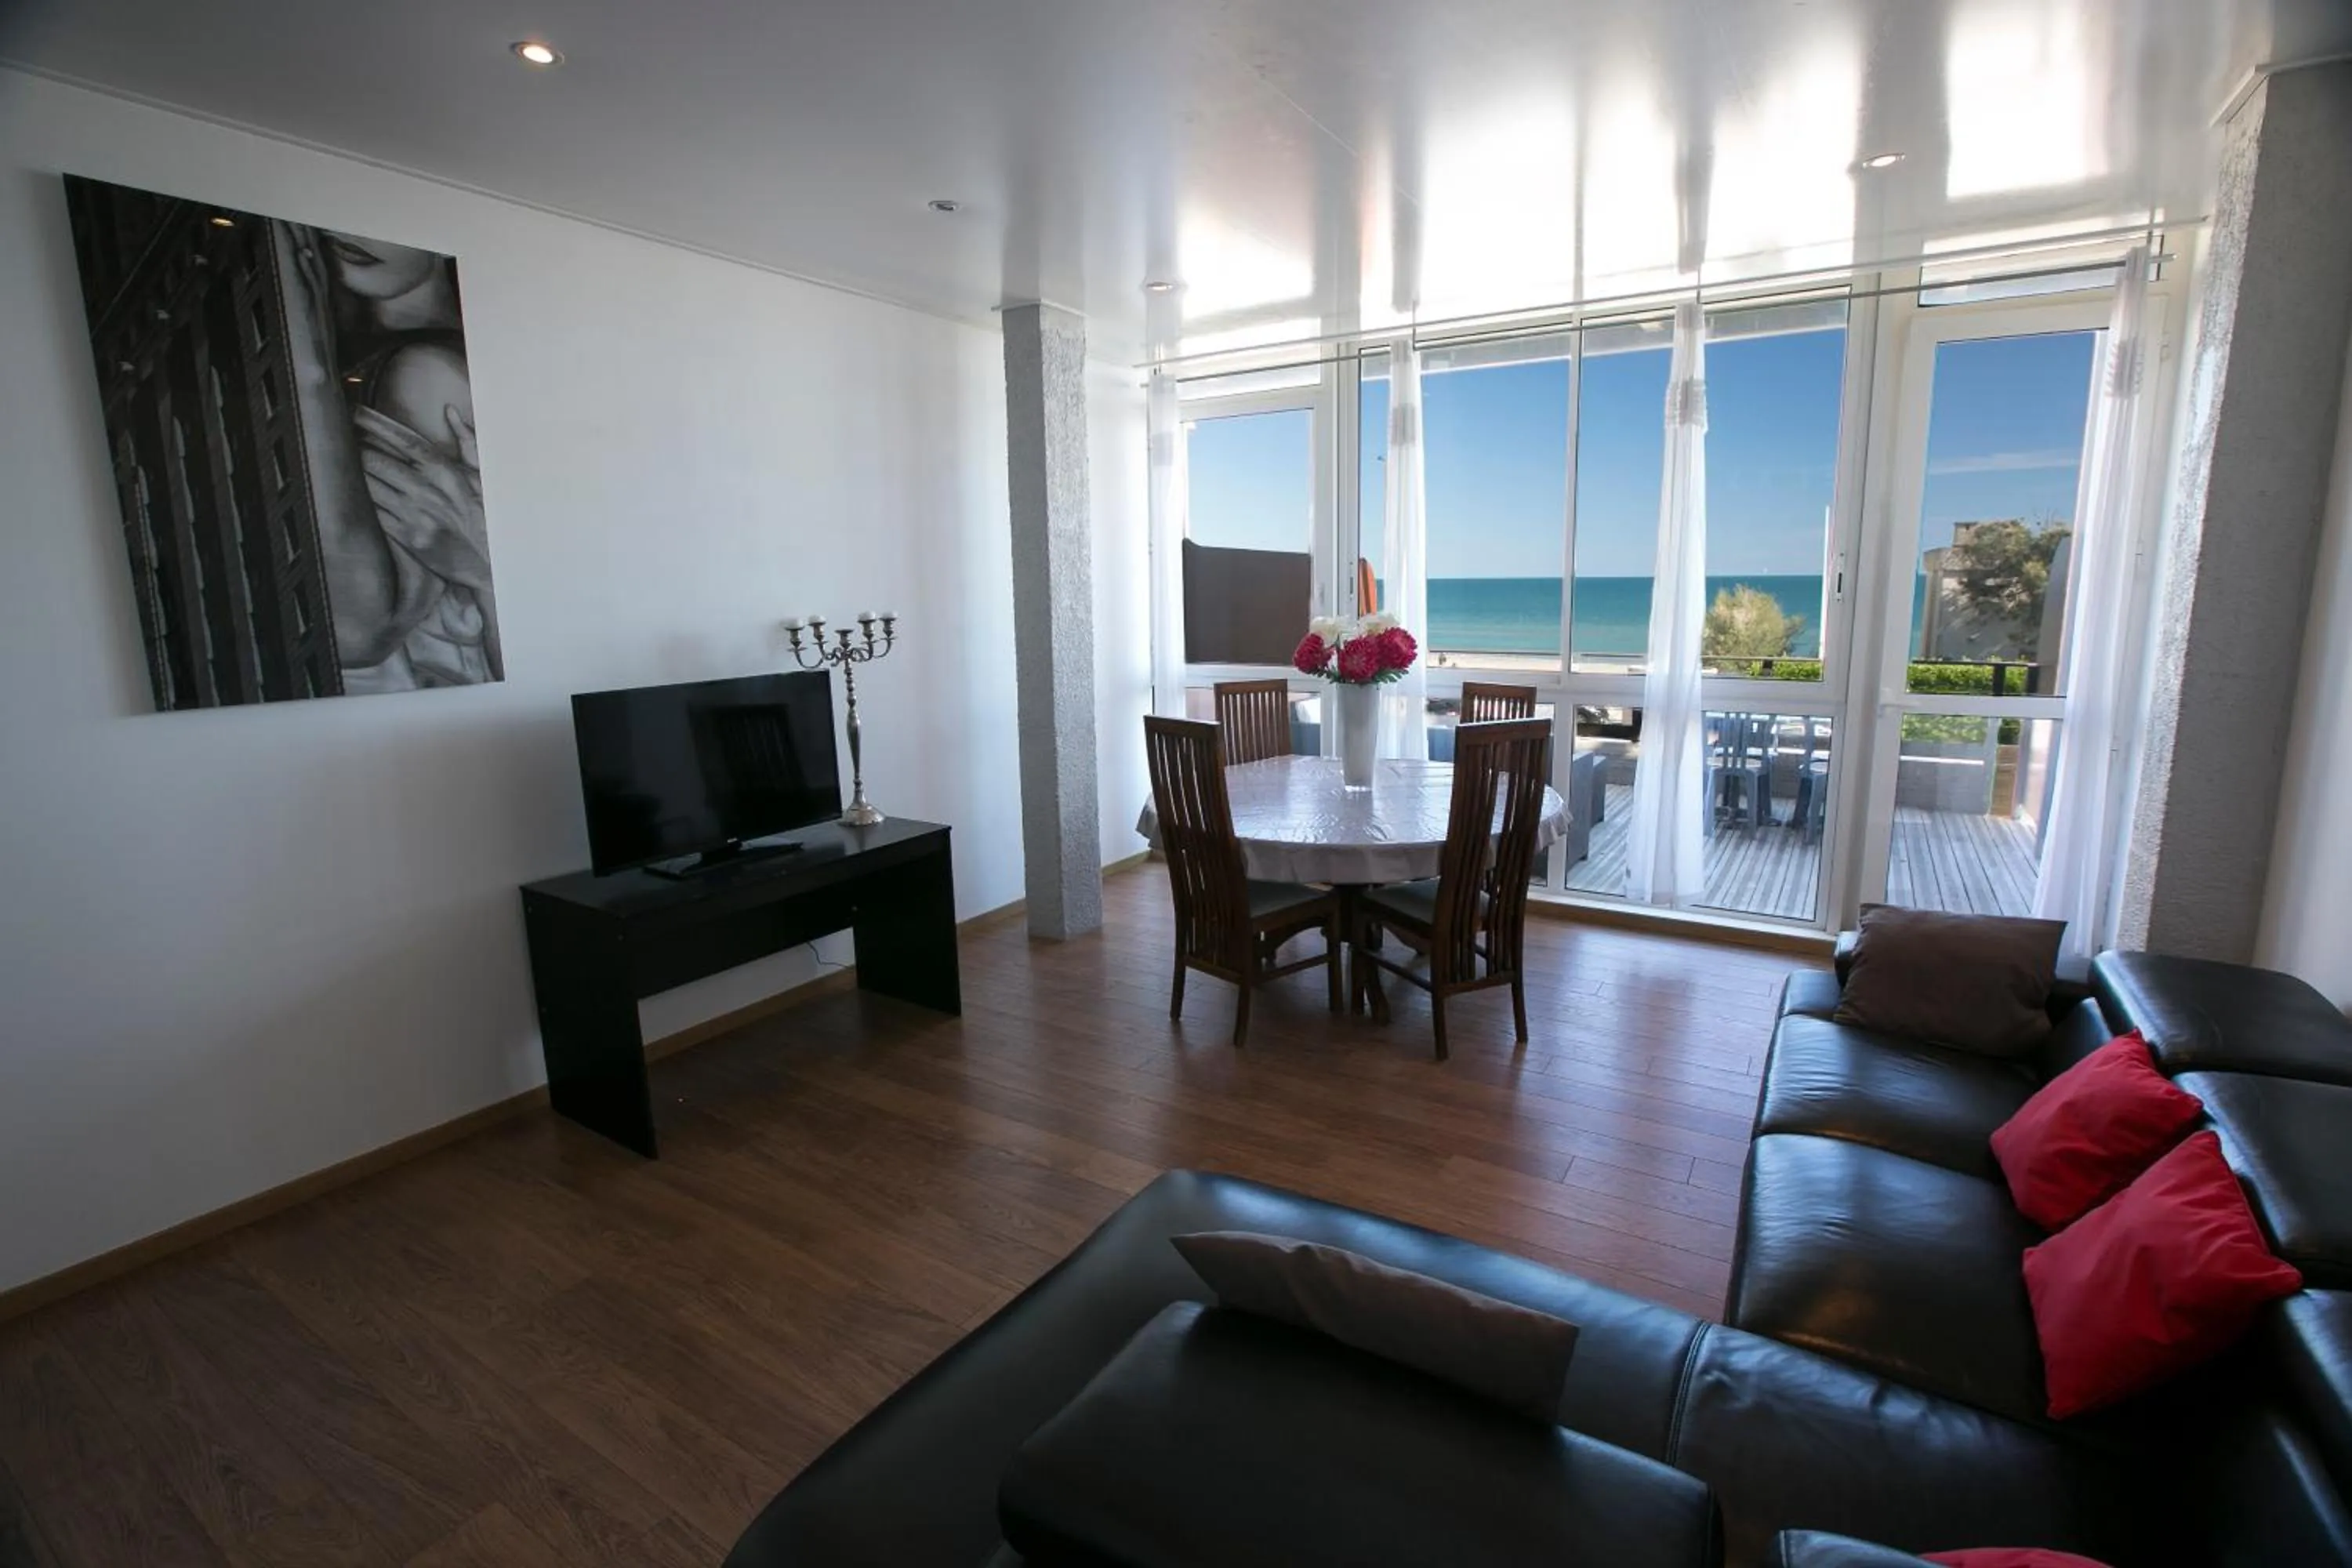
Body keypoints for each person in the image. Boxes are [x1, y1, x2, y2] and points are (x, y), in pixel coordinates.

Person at [281, 223, 499, 691]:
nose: (344, 230)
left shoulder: (426, 373)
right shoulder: (418, 364)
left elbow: (353, 630)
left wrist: (307, 365)